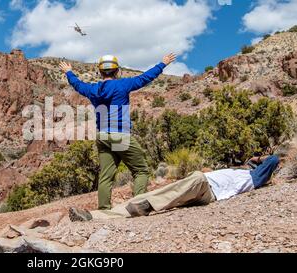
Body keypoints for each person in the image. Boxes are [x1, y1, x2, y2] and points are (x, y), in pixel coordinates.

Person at [59, 53, 177, 211]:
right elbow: (145, 78)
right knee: (141, 170)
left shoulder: (92, 89)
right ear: (117, 71)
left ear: (100, 72)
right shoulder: (123, 85)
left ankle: (104, 210)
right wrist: (162, 64)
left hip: (102, 136)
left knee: (106, 176)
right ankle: (139, 206)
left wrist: (69, 72)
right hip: (119, 135)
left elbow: (78, 85)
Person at [69, 155, 280, 222]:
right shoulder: (239, 171)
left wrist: (259, 158)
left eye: (255, 164)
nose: (251, 165)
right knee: (151, 194)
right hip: (201, 188)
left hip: (205, 188)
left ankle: (147, 205)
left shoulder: (254, 177)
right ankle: (94, 217)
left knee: (195, 176)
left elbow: (274, 159)